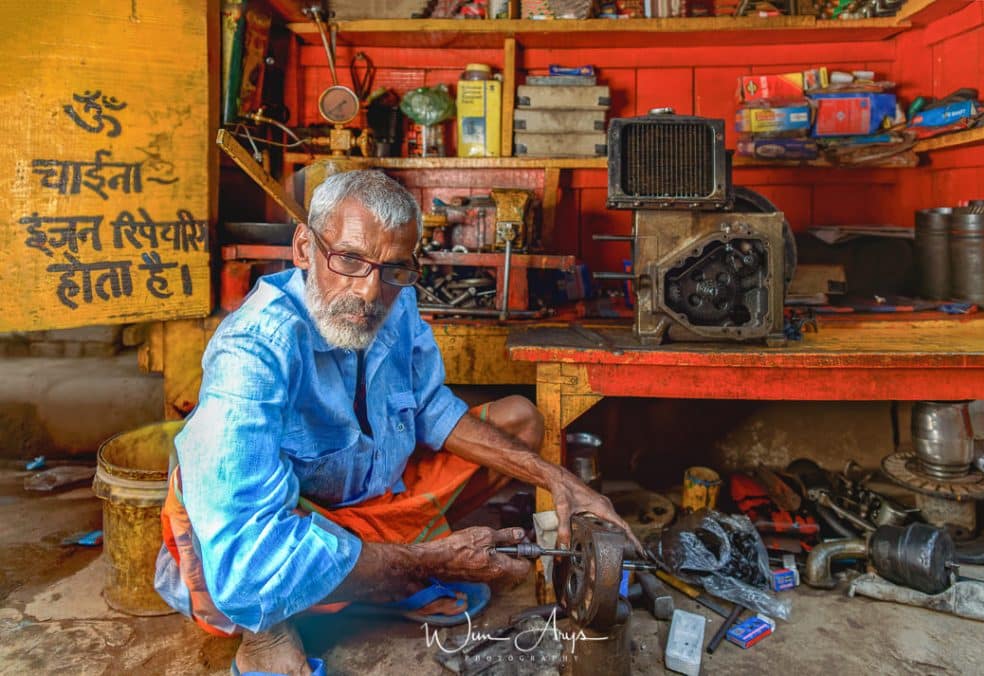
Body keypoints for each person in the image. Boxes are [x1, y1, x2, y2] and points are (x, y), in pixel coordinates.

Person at [154, 170, 637, 675]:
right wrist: (431, 561)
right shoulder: (252, 351)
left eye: (393, 269)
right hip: (288, 530)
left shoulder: (395, 299)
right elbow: (246, 562)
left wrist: (555, 477)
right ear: (303, 248)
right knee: (244, 568)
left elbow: (429, 407)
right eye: (348, 260)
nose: (367, 292)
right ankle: (278, 625)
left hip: (367, 499)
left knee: (520, 422)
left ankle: (375, 577)